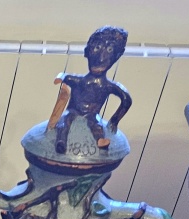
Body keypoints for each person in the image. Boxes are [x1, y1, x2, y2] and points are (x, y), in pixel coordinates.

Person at [48, 25, 132, 154]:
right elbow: (65, 76)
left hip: (92, 115)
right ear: (87, 51)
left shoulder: (107, 86)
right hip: (73, 111)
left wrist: (114, 121)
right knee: (64, 121)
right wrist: (60, 79)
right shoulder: (80, 81)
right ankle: (61, 141)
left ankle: (100, 140)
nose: (101, 58)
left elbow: (126, 99)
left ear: (117, 56)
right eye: (97, 48)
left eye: (109, 50)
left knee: (97, 125)